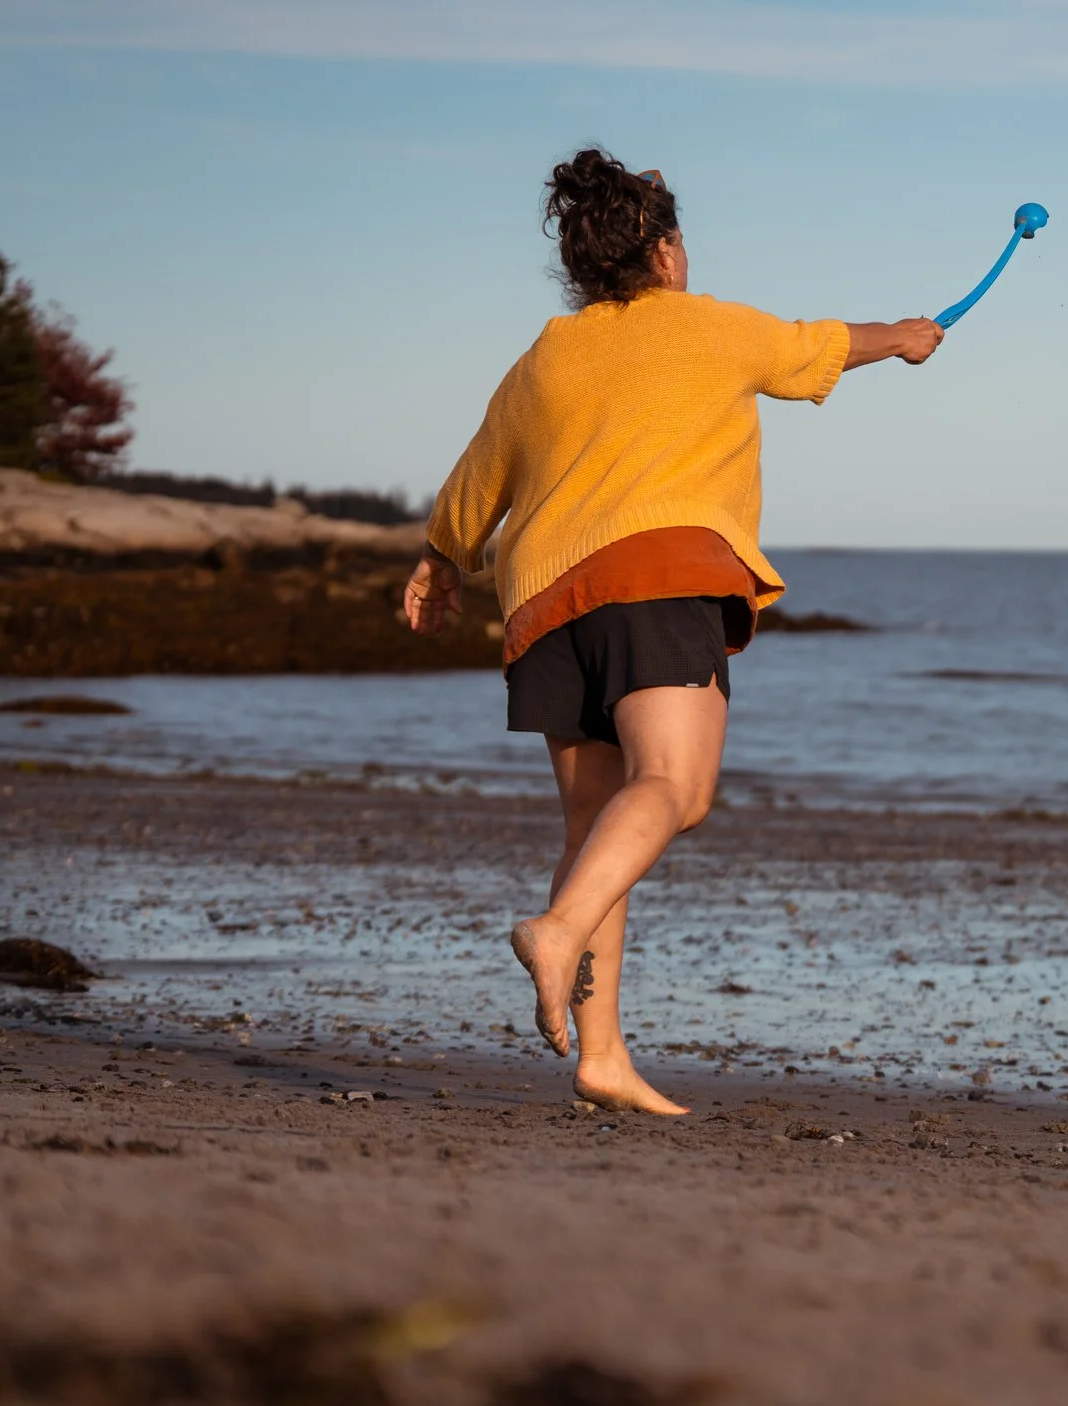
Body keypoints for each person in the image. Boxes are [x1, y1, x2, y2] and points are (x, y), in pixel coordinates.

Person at [402, 148, 941, 1114]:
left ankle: (600, 1055)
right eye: (681, 240)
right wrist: (902, 336)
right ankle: (557, 929)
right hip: (657, 577)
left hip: (544, 602)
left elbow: (478, 476)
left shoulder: (545, 357)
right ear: (662, 255)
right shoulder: (707, 328)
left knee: (598, 820)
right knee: (672, 791)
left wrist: (439, 561)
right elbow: (819, 344)